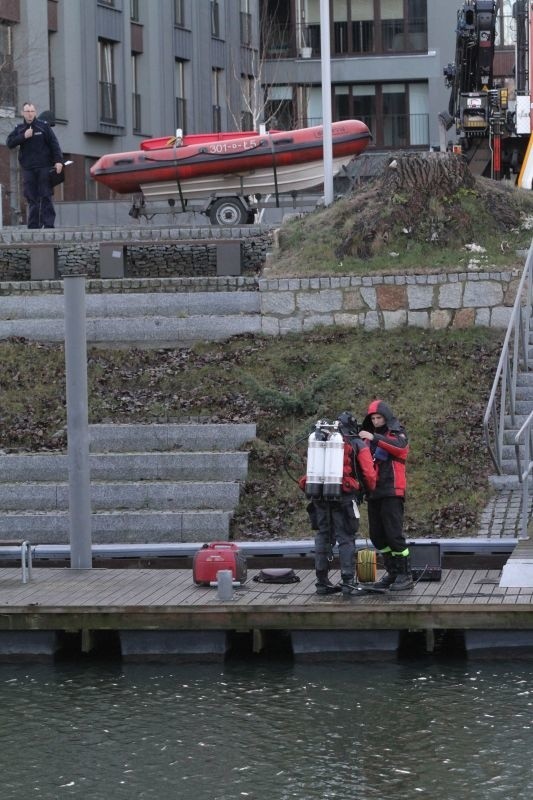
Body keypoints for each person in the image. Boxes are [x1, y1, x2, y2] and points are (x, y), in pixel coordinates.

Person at [299, 412, 376, 596]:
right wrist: (369, 490)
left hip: (319, 495)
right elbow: (369, 473)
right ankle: (348, 582)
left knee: (323, 536)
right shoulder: (355, 442)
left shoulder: (321, 440)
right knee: (346, 537)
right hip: (343, 497)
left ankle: (321, 582)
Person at [359, 399, 412, 591]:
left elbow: (400, 448)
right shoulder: (367, 438)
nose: (375, 421)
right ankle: (393, 572)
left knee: (394, 534)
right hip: (374, 492)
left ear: (386, 417)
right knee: (377, 536)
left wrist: (374, 438)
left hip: (392, 490)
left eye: (379, 417)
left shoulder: (397, 433)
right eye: (372, 418)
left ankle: (405, 575)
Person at [7, 102, 63, 229]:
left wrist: (58, 161)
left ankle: (49, 226)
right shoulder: (19, 128)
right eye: (27, 111)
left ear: (35, 112)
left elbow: (54, 145)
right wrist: (23, 137)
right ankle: (33, 227)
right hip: (28, 168)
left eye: (32, 111)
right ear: (22, 113)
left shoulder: (44, 126)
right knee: (32, 197)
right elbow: (9, 143)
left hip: (44, 166)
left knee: (46, 195)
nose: (30, 114)